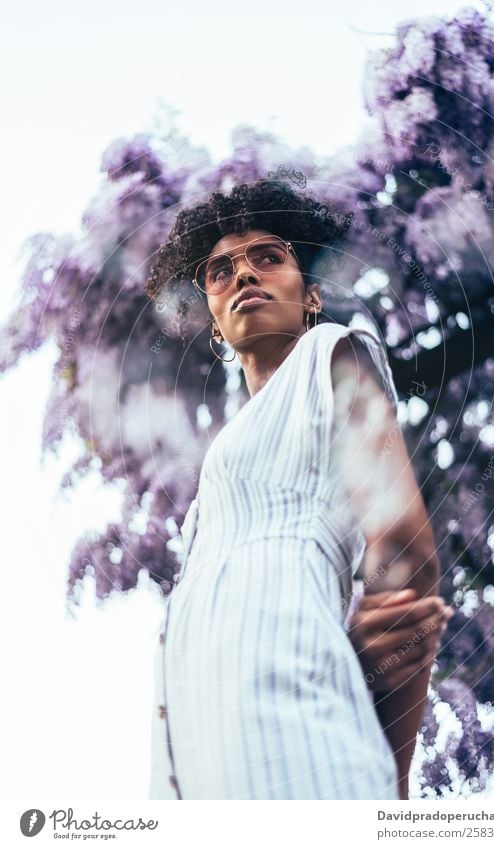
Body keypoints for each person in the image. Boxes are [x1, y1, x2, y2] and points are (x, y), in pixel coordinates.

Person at [144, 178, 448, 800]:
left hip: (295, 737)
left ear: (309, 295)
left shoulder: (331, 353)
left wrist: (391, 788)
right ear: (214, 325)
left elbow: (405, 557)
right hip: (192, 770)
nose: (244, 275)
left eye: (268, 258)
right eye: (220, 271)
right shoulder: (213, 493)